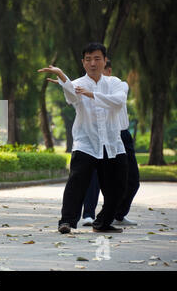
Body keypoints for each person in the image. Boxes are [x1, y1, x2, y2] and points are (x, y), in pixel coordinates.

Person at [38, 42, 128, 234]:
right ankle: (67, 222)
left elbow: (118, 102)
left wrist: (91, 94)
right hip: (86, 142)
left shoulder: (115, 83)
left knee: (119, 187)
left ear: (105, 61)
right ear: (83, 62)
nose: (92, 63)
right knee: (76, 184)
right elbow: (72, 97)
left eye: (97, 58)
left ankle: (102, 223)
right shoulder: (78, 83)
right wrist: (63, 77)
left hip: (112, 143)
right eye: (88, 59)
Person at [81, 60, 139, 227]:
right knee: (94, 177)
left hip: (121, 135)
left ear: (108, 70)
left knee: (132, 180)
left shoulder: (118, 85)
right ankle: (88, 215)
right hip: (97, 135)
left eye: (100, 71)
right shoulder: (86, 87)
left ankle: (117, 214)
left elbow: (116, 100)